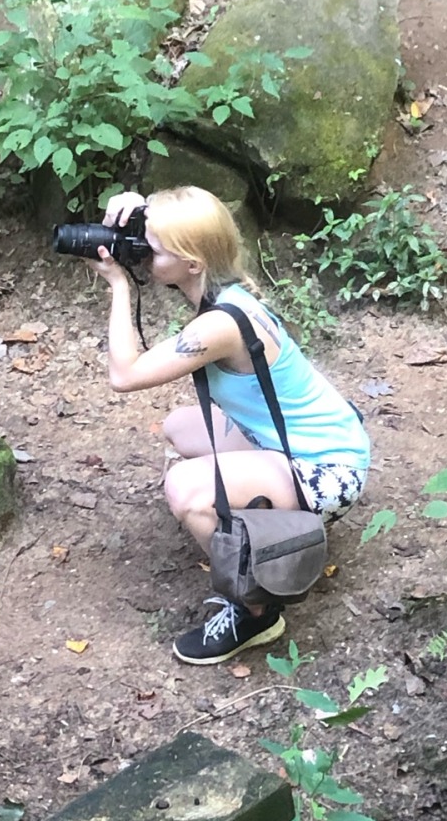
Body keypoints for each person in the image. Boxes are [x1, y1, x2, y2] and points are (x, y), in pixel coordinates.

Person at [91, 185, 370, 665]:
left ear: (192, 263)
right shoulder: (224, 289)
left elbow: (125, 374)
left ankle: (255, 610)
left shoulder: (220, 325)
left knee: (184, 488)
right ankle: (265, 519)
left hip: (328, 465)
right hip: (308, 439)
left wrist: (117, 285)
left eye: (150, 248)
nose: (139, 253)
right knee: (182, 427)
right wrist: (142, 212)